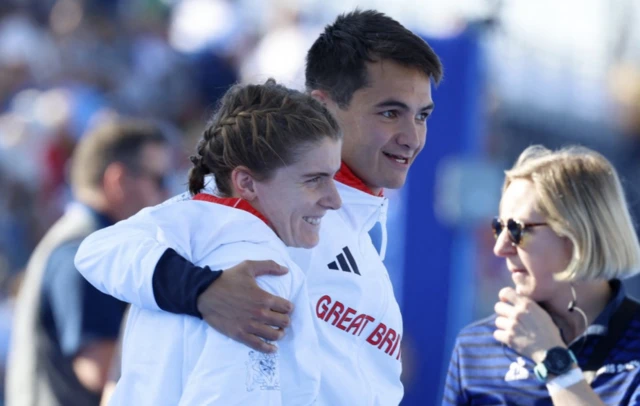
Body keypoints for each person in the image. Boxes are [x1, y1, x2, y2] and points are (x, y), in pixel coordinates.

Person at [75, 9, 443, 405]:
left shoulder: (349, 231)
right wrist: (202, 290)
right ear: (323, 107)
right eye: (390, 113)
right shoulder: (258, 205)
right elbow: (105, 250)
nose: (412, 137)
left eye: (422, 116)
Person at [107, 79, 342, 405]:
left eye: (333, 177)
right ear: (246, 182)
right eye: (314, 180)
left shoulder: (166, 242)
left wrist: (200, 289)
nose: (334, 200)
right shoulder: (260, 275)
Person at [443, 145, 640, 406]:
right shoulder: (476, 348)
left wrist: (552, 360)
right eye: (497, 227)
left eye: (517, 229)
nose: (500, 248)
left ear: (577, 232)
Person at [6, 119, 173, 406]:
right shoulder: (85, 255)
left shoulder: (79, 242)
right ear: (118, 180)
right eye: (158, 179)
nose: (167, 193)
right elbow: (100, 369)